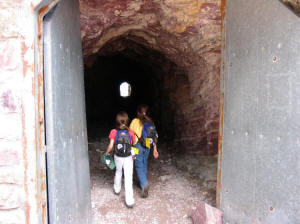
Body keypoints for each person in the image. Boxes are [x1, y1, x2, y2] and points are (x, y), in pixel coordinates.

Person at [105, 111, 135, 208]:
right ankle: (129, 201)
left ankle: (117, 189)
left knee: (118, 172)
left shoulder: (114, 132)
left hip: (118, 156)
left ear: (117, 121)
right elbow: (133, 143)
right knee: (128, 177)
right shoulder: (130, 132)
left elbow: (110, 145)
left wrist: (106, 153)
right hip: (128, 156)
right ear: (127, 121)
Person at [129, 104, 159, 198]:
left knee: (138, 164)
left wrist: (130, 147)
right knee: (144, 162)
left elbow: (130, 134)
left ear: (138, 112)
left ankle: (144, 183)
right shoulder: (150, 122)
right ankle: (143, 182)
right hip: (147, 145)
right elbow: (155, 136)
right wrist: (155, 148)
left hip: (138, 145)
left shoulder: (135, 121)